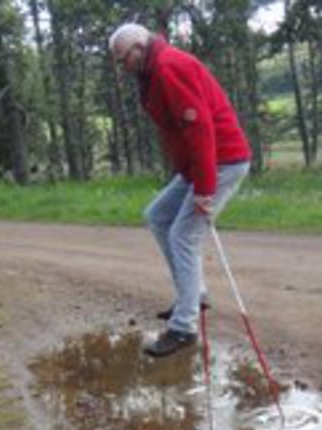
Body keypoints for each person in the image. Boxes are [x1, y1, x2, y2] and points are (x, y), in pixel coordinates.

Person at [109, 23, 252, 357]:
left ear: (139, 47)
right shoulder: (153, 70)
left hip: (222, 161)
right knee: (157, 215)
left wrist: (204, 188)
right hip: (198, 166)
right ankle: (194, 295)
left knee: (183, 235)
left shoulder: (169, 67)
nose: (122, 67)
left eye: (123, 59)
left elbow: (199, 129)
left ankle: (184, 328)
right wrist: (189, 173)